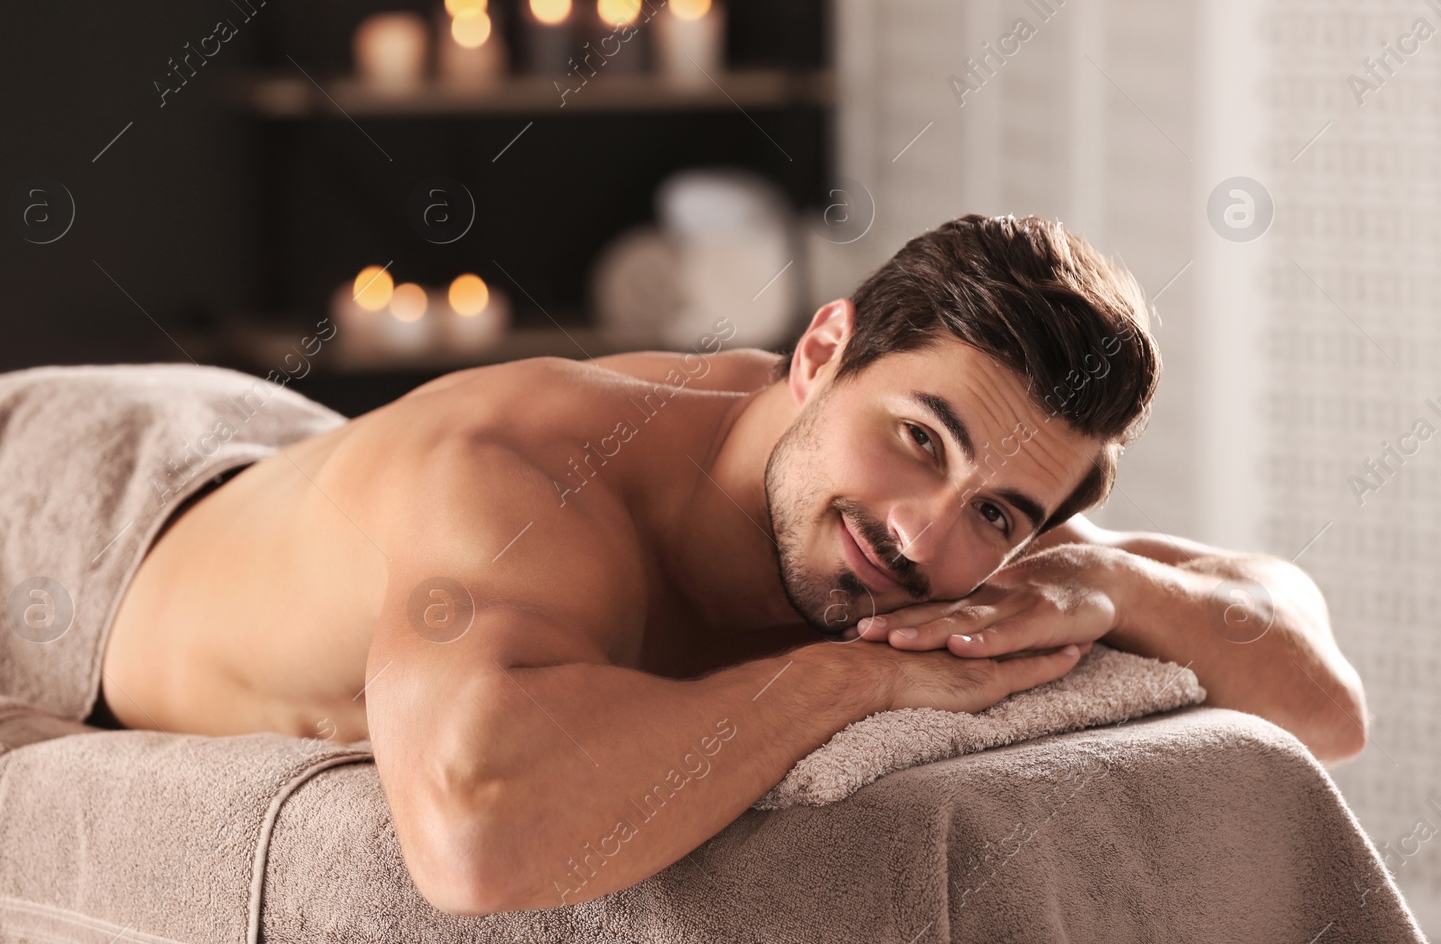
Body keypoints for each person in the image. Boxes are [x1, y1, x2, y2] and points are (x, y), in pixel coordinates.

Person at [99, 213, 1368, 915]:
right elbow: (478, 839)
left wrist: (1127, 588)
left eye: (998, 514)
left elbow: (1324, 704)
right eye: (917, 437)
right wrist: (850, 685)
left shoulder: (958, 509)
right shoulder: (514, 475)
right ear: (823, 348)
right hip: (128, 520)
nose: (923, 537)